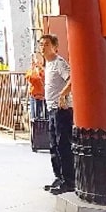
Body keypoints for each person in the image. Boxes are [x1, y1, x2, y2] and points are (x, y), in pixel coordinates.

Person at [39, 34, 74, 195]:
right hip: (51, 108)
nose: (43, 47)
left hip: (62, 110)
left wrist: (62, 94)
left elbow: (72, 79)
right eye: (41, 44)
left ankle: (69, 180)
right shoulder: (48, 64)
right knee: (53, 145)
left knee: (63, 145)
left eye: (46, 44)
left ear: (55, 47)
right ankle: (59, 177)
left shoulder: (59, 63)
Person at [26, 51, 46, 120]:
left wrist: (41, 70)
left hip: (44, 96)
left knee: (45, 117)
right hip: (35, 96)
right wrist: (35, 69)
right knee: (35, 118)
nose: (38, 61)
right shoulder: (31, 71)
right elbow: (31, 78)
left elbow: (45, 78)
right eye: (36, 59)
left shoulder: (44, 70)